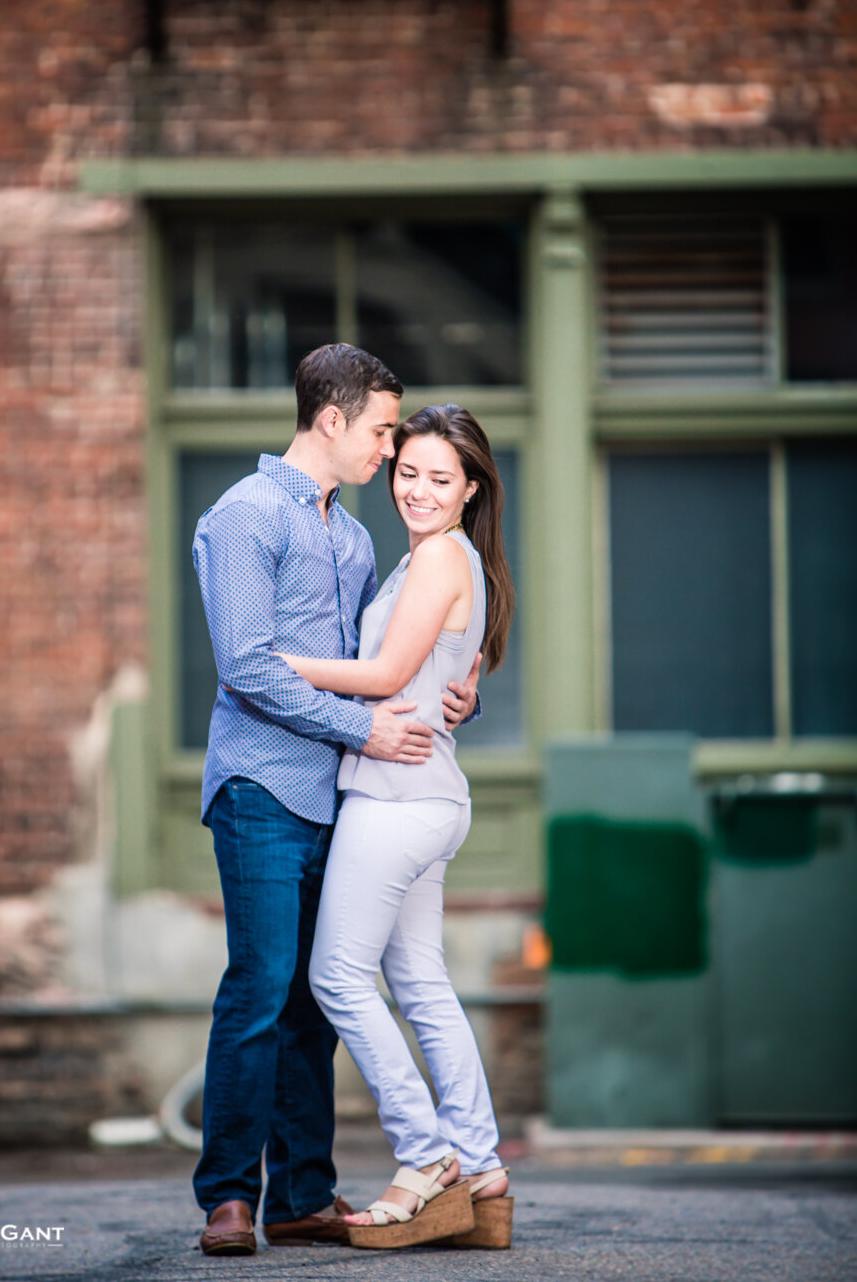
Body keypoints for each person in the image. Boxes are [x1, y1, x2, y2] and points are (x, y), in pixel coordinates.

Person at [191, 346, 481, 1257]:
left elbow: (376, 663)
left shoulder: (354, 539)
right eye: (384, 430)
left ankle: (304, 1194)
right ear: (332, 420)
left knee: (319, 999)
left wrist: (448, 687)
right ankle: (231, 1198)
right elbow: (245, 669)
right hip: (262, 785)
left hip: (343, 796)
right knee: (262, 984)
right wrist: (366, 730)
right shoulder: (243, 518)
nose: (391, 451)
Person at [278, 403, 516, 1250]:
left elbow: (381, 673)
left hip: (395, 802)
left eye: (438, 478)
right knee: (419, 983)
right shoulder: (451, 561)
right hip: (426, 798)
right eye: (407, 471)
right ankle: (481, 1166)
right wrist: (468, 687)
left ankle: (425, 1157)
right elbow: (444, 671)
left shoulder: (439, 560)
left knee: (338, 977)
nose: (416, 489)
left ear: (471, 488)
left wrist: (266, 662)